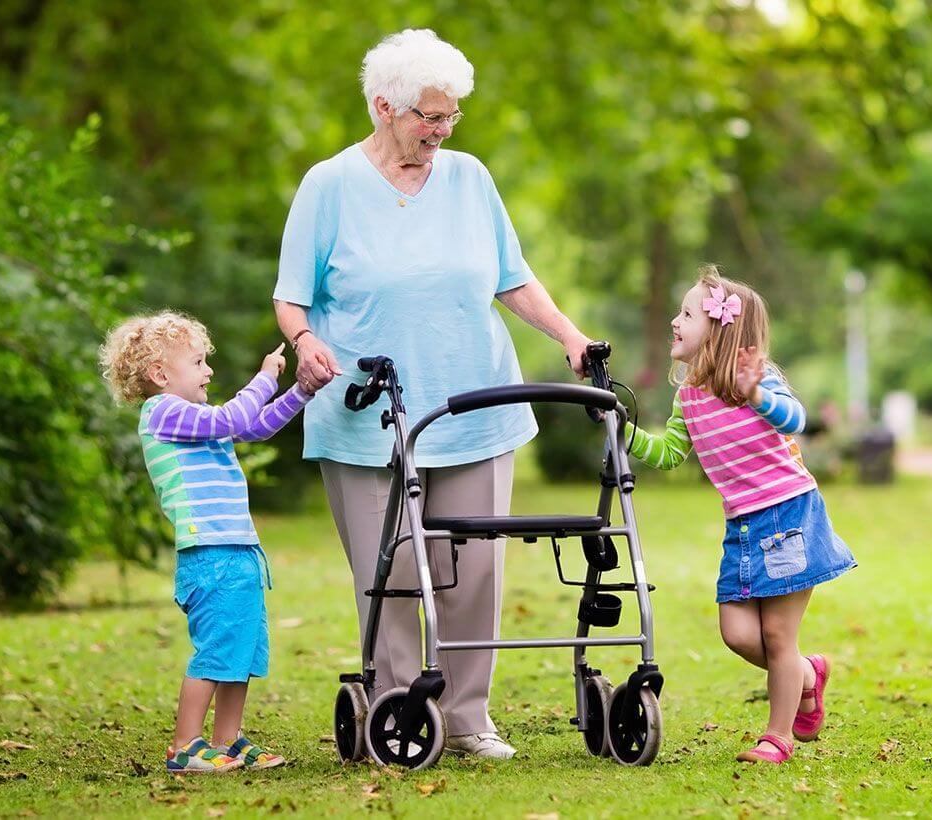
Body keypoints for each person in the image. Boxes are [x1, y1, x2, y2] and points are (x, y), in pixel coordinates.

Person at [272, 28, 594, 760]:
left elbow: (511, 276)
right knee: (385, 573)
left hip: (474, 401)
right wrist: (305, 342)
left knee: (473, 569)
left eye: (451, 116)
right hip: (366, 413)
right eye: (429, 117)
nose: (442, 131)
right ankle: (397, 711)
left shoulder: (469, 178)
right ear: (384, 107)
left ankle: (467, 716)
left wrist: (569, 336)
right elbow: (291, 298)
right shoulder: (328, 185)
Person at [624, 267, 858, 764]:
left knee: (777, 636)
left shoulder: (758, 381)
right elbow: (668, 453)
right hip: (742, 526)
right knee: (738, 634)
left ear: (719, 329)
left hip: (789, 515)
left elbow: (796, 420)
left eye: (686, 314)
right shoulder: (686, 397)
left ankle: (778, 738)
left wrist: (755, 394)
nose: (674, 321)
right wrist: (622, 431)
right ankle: (808, 676)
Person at [100, 311, 317, 772]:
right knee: (217, 648)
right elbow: (232, 418)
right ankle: (184, 745)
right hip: (210, 555)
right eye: (198, 362)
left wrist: (300, 392)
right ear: (161, 375)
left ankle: (227, 740)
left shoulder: (194, 418)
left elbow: (252, 426)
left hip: (237, 551)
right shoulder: (162, 413)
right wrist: (263, 378)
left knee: (240, 650)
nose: (209, 371)